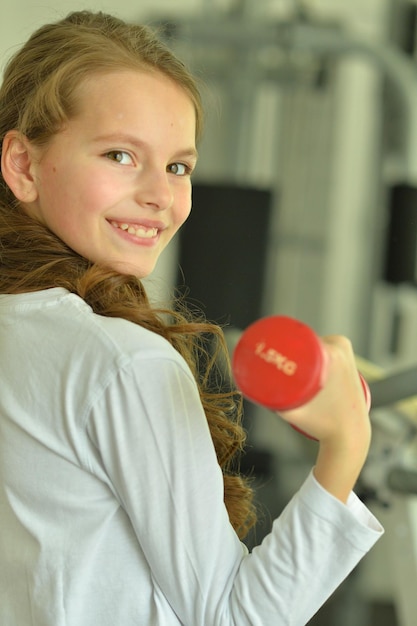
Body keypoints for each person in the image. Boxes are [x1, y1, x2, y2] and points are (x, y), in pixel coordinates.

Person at [0, 10, 382, 626]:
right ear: (22, 164)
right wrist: (345, 445)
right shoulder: (124, 363)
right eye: (121, 155)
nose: (160, 193)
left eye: (178, 166)